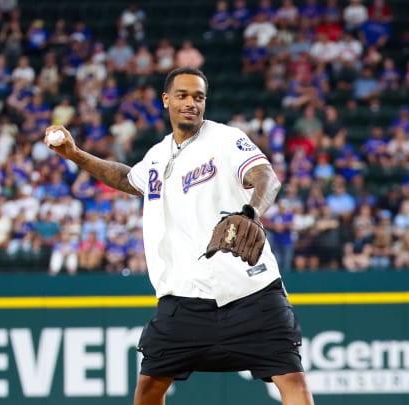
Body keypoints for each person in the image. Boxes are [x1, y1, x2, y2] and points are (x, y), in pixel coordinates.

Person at [45, 67, 312, 405]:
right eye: (183, 95)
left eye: (198, 97)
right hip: (183, 299)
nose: (191, 103)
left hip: (250, 291)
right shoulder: (157, 155)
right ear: (166, 100)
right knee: (149, 389)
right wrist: (75, 155)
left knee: (292, 380)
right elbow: (130, 179)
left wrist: (252, 212)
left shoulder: (225, 139)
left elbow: (267, 178)